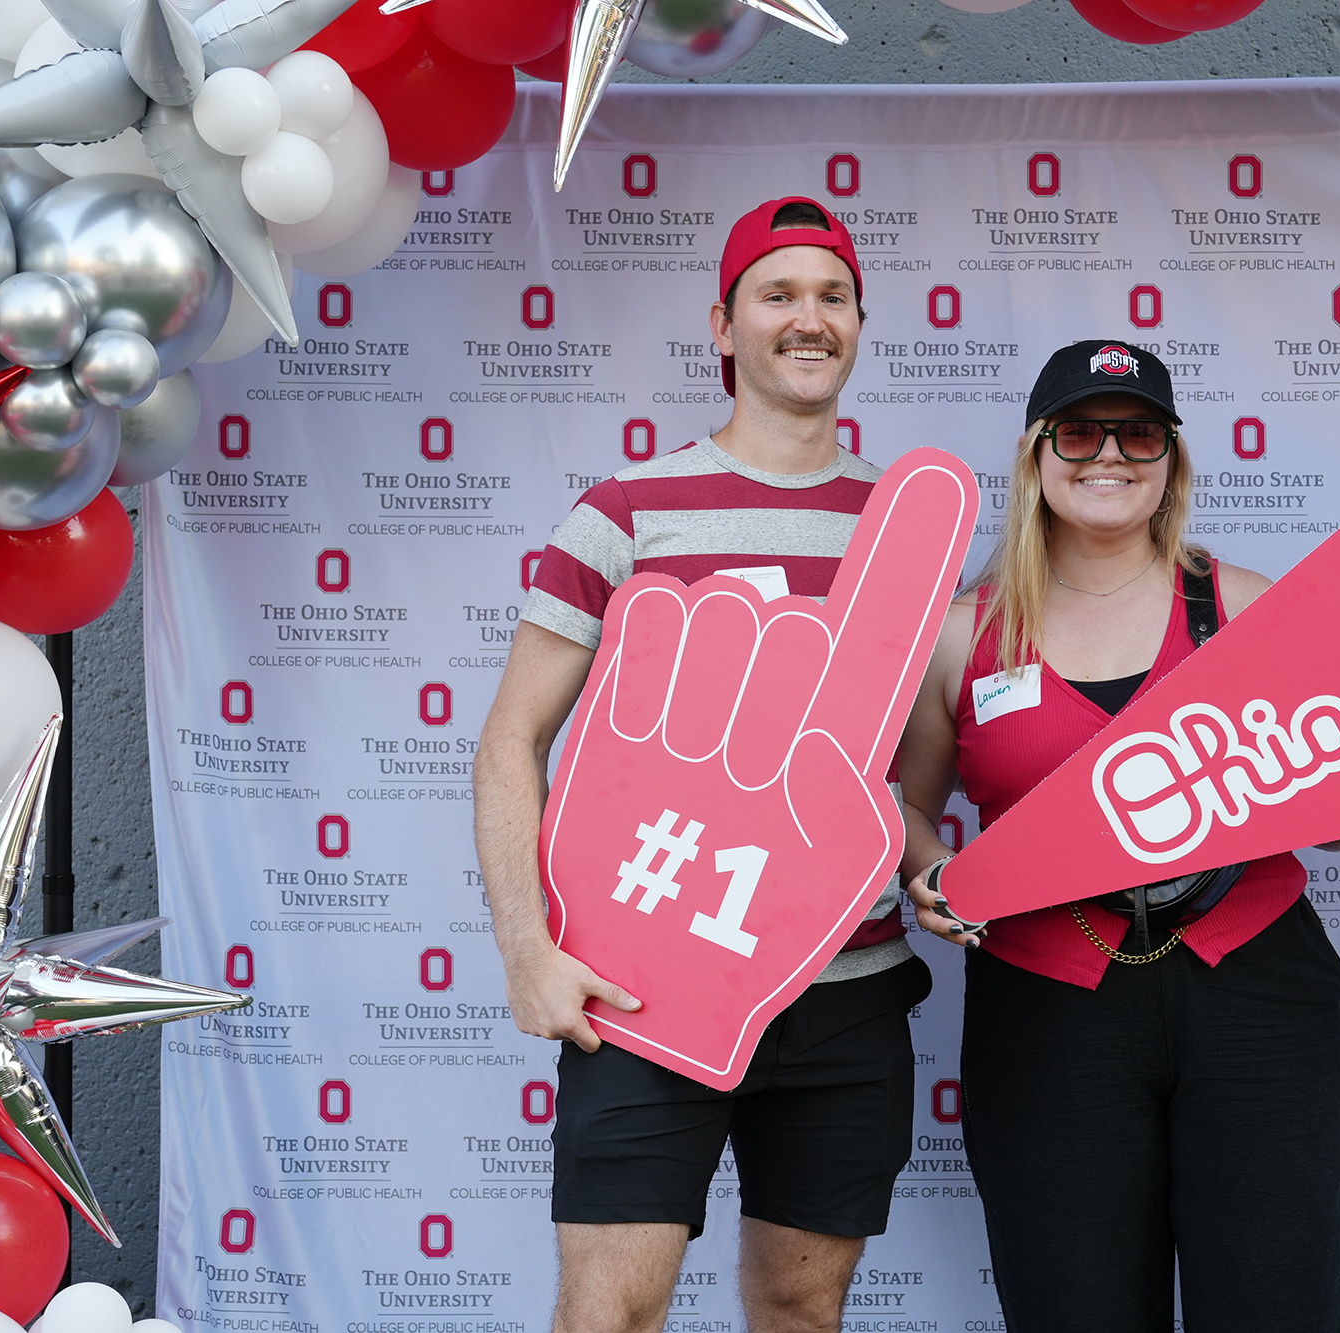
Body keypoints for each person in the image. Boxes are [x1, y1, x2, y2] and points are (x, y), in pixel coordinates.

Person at [894, 340, 1340, 1333]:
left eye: (1137, 432)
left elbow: (1338, 810)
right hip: (1049, 1005)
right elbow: (907, 805)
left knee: (1280, 1308)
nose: (1108, 455)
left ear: (1171, 459)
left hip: (1257, 992)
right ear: (1035, 454)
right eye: (1079, 430)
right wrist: (931, 871)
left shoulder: (1244, 609)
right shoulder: (965, 633)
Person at [473, 197, 930, 1333]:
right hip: (646, 986)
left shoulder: (902, 535)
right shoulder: (628, 513)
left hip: (847, 998)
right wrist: (528, 951)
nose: (806, 319)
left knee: (797, 1307)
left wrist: (932, 866)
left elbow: (904, 787)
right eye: (776, 295)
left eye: (830, 297)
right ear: (723, 327)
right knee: (612, 1313)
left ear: (861, 323)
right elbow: (509, 744)